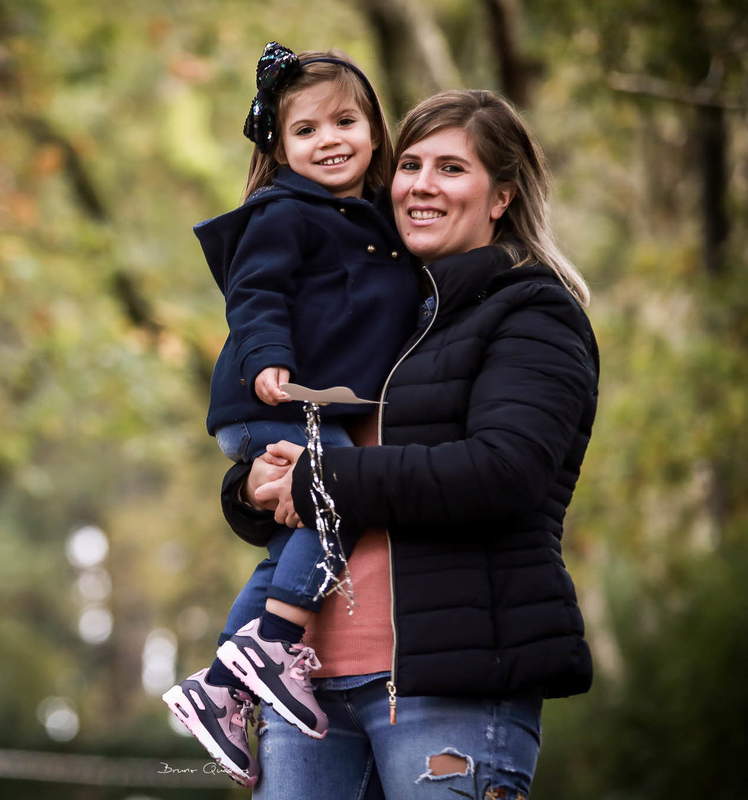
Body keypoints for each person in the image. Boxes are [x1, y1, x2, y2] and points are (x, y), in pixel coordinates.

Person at [221, 89, 599, 799]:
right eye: (411, 164)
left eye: (452, 168)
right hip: (308, 690)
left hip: (445, 686)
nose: (422, 184)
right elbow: (302, 464)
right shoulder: (372, 311)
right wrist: (251, 489)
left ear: (502, 197)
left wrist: (323, 479)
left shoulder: (532, 313)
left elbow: (503, 472)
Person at [161, 42, 418, 788]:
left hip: (301, 406)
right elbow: (256, 292)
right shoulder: (283, 212)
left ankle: (220, 687)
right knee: (340, 489)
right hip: (268, 397)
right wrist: (268, 356)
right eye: (306, 130)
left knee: (295, 543)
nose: (329, 140)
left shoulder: (374, 222)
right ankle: (274, 640)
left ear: (376, 130)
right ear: (278, 149)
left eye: (345, 122)